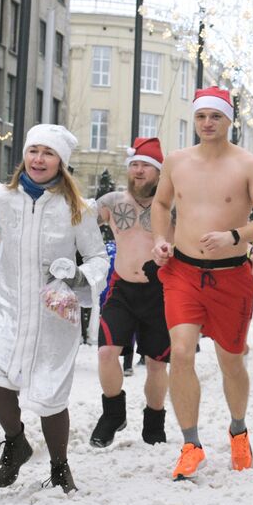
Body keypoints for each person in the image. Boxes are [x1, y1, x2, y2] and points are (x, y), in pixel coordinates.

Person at [151, 87, 253, 480]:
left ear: (228, 120)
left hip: (231, 277)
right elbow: (160, 204)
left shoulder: (249, 165)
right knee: (181, 352)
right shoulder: (176, 161)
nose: (208, 123)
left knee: (231, 360)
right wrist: (160, 238)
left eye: (216, 117)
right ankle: (191, 444)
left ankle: (238, 430)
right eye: (202, 116)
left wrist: (235, 236)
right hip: (183, 274)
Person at [0, 125, 108, 493]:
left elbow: (98, 257)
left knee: (50, 394)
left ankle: (59, 465)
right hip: (8, 304)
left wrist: (80, 277)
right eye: (33, 151)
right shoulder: (1, 197)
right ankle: (15, 440)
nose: (38, 159)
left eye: (48, 153)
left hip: (54, 308)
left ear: (60, 163)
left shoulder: (78, 208)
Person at [92, 138, 172, 448]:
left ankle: (154, 423)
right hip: (121, 288)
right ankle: (113, 414)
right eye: (134, 164)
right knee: (106, 352)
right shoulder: (111, 202)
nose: (138, 171)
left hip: (160, 291)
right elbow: (77, 225)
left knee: (155, 363)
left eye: (146, 166)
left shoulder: (171, 205)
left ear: (159, 173)